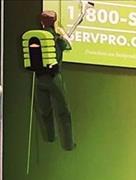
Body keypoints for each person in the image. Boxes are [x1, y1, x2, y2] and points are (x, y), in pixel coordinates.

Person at [34, 10, 75, 150]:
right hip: (55, 78)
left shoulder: (36, 38)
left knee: (44, 110)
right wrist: (63, 34)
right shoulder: (57, 38)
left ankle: (49, 138)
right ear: (55, 22)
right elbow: (69, 46)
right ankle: (68, 144)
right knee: (63, 111)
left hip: (39, 79)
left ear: (41, 23)